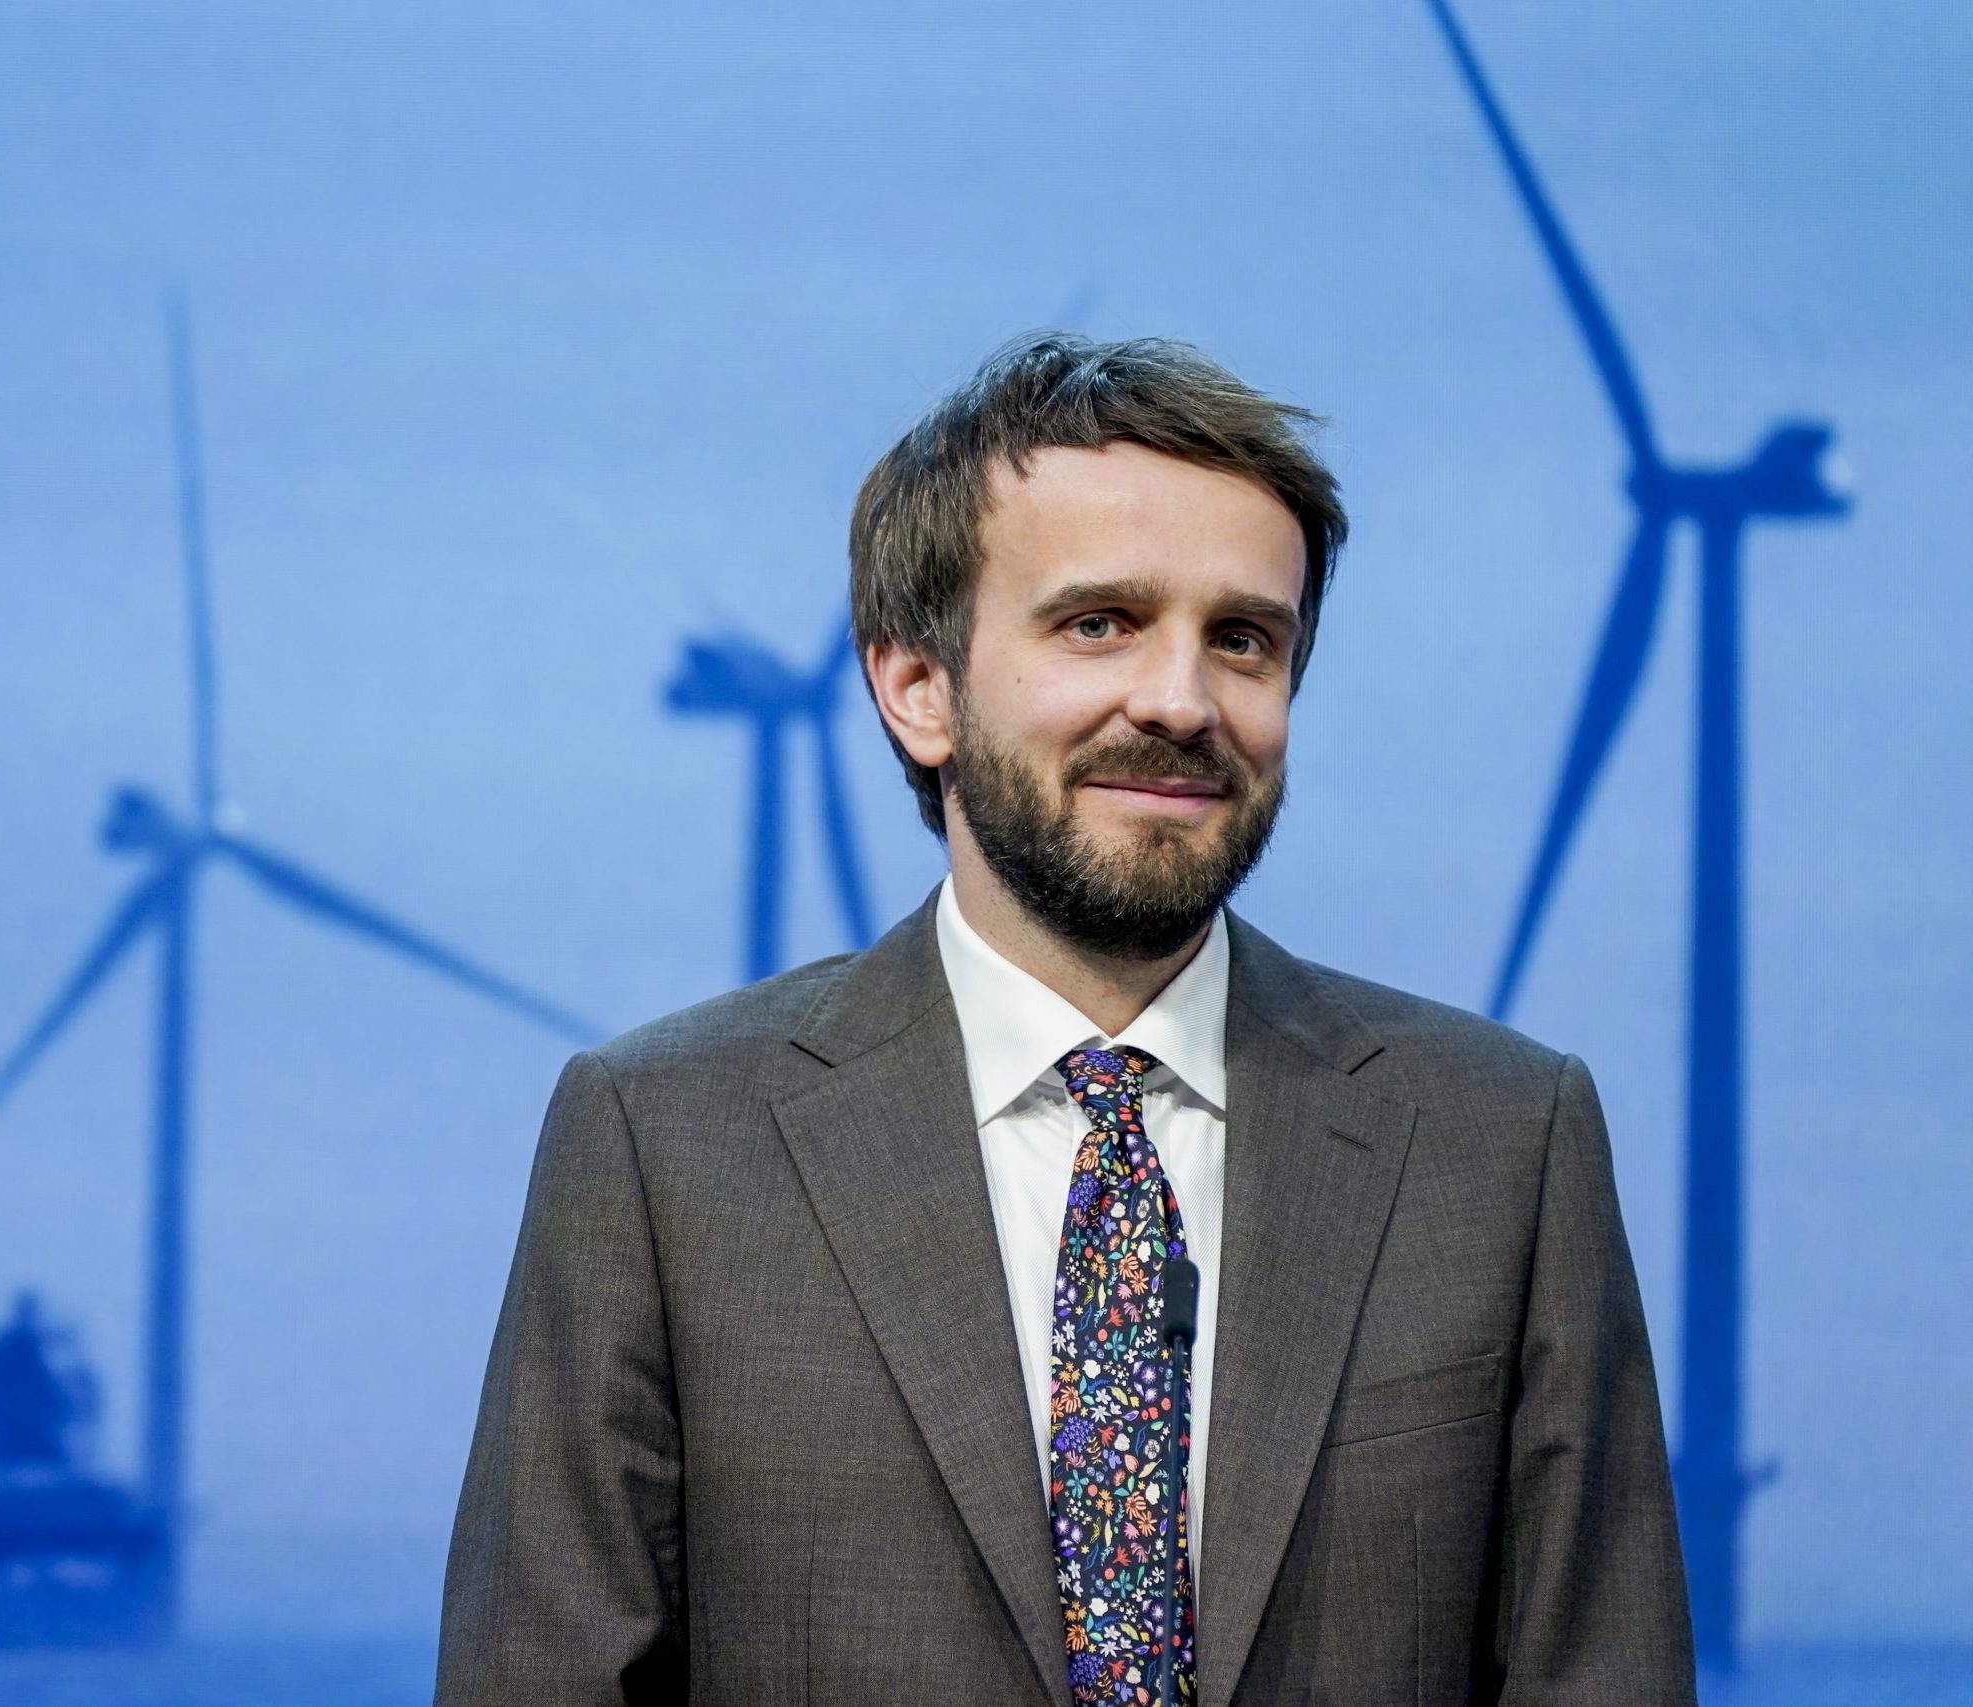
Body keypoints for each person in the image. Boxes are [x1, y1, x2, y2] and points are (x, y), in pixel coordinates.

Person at [437, 335, 1694, 1705]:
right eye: (1100, 623)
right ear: (918, 689)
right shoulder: (665, 1143)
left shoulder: (1498, 1142)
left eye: (1244, 640)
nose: (1181, 701)